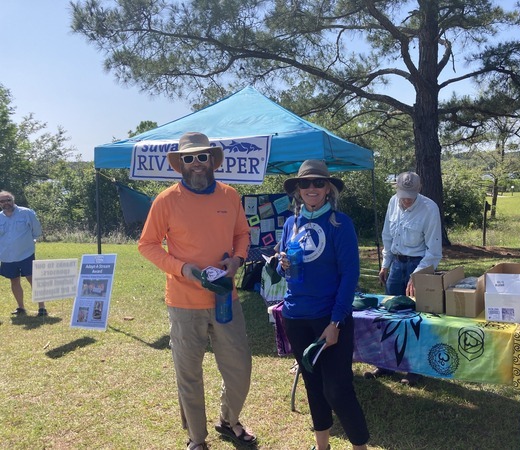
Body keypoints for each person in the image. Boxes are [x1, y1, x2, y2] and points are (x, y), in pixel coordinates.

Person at [138, 132, 256, 450]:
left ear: (212, 161)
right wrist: (182, 269)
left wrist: (236, 260)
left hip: (225, 299)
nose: (197, 164)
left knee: (240, 369)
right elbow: (147, 244)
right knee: (189, 374)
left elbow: (243, 234)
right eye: (189, 158)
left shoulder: (230, 195)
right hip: (184, 301)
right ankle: (197, 438)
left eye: (202, 157)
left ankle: (228, 421)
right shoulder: (166, 200)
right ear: (181, 164)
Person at [278, 160, 369, 450]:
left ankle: (359, 446)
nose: (312, 188)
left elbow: (349, 276)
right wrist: (281, 266)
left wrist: (335, 322)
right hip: (295, 316)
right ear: (298, 190)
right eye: (305, 183)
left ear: (328, 188)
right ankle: (322, 447)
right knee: (313, 387)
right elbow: (285, 271)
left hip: (328, 318)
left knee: (338, 390)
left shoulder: (341, 225)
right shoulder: (291, 224)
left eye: (319, 183)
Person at [364, 171, 442, 385]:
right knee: (390, 315)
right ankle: (386, 364)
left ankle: (414, 369)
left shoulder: (429, 208)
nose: (406, 199)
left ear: (419, 189)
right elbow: (388, 236)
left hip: (420, 264)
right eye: (403, 194)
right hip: (397, 263)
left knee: (415, 318)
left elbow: (434, 251)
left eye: (410, 195)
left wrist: (418, 276)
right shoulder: (392, 202)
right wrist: (385, 264)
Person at [0, 191, 48, 317]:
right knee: (14, 281)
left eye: (8, 200)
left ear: (13, 200)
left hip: (26, 254)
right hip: (7, 256)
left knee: (33, 279)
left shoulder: (26, 212)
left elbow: (36, 229)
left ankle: (42, 308)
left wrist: (33, 240)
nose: (6, 203)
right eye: (2, 201)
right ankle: (21, 307)